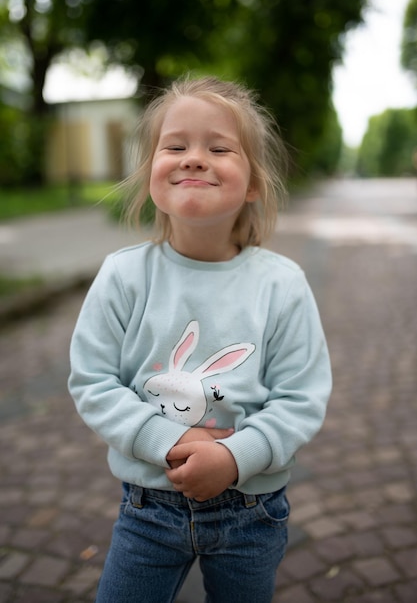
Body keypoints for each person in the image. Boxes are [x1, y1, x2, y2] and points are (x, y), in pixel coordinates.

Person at [68, 74, 332, 603]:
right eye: (175, 145)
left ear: (254, 182)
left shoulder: (281, 285)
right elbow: (93, 382)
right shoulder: (123, 276)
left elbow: (300, 399)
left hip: (251, 511)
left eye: (218, 147)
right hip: (148, 508)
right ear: (149, 176)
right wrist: (172, 440)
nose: (193, 158)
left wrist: (237, 456)